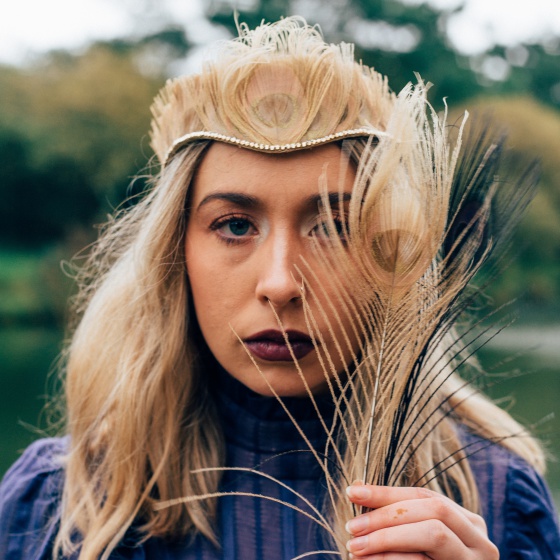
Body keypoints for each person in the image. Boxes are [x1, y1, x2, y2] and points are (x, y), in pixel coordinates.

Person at [1, 16, 559, 560]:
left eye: (334, 229)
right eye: (235, 226)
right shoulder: (59, 504)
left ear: (390, 256)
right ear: (176, 254)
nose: (280, 283)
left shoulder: (494, 503)